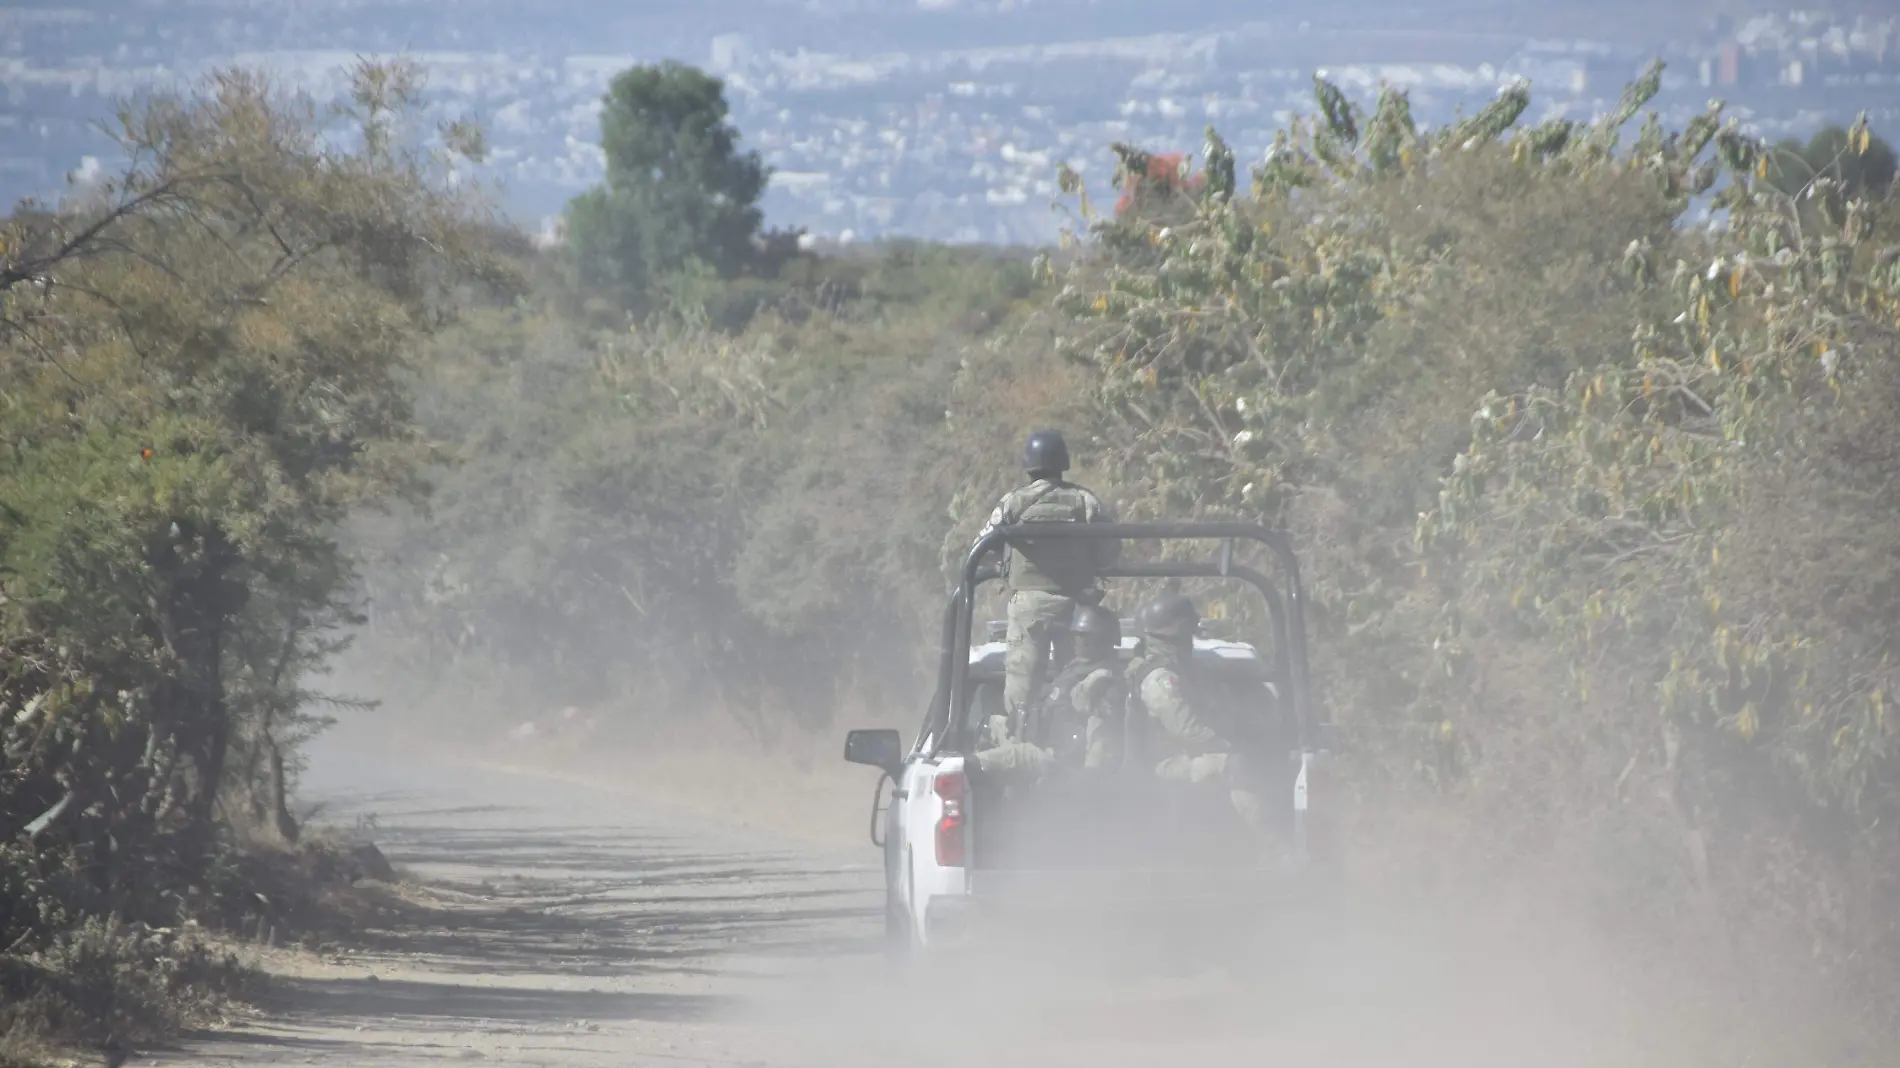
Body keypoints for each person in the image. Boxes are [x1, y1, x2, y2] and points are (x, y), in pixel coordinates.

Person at [973, 429, 1118, 739]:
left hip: (1029, 607)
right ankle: (1075, 737)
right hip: (1078, 606)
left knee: (1021, 692)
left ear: (1028, 465)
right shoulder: (1085, 501)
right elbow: (1110, 550)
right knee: (1077, 680)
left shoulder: (1013, 502)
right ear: (1063, 462)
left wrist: (1003, 567)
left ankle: (1021, 740)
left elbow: (981, 548)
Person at [1126, 592, 1267, 834]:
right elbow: (1187, 730)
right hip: (1164, 762)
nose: (1189, 641)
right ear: (1173, 635)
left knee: (1250, 762)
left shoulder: (1187, 671)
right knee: (1238, 766)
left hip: (1184, 756)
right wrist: (1227, 745)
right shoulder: (1159, 678)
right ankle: (1275, 849)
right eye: (1186, 633)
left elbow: (1218, 709)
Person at [973, 602, 1125, 783]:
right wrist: (1025, 715)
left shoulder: (1102, 679)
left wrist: (1088, 783)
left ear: (1098, 641)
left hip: (1061, 764)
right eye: (1075, 636)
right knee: (993, 724)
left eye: (1082, 637)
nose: (1076, 642)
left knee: (1015, 755)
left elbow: (1097, 731)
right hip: (1042, 741)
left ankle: (966, 767)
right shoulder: (1076, 668)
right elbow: (1054, 703)